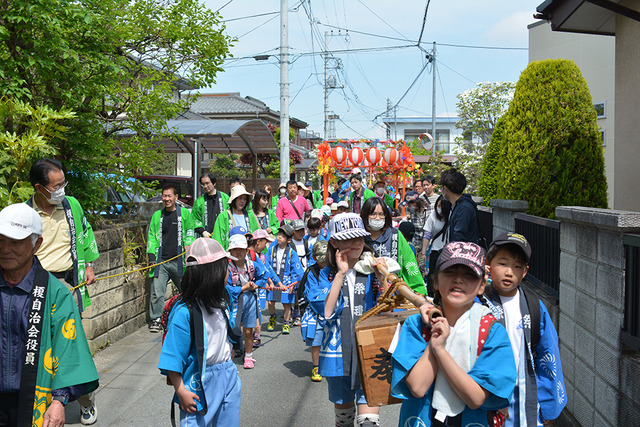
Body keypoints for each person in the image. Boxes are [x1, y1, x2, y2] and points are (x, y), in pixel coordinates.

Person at [390, 241, 517, 427]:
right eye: (450, 272)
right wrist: (434, 339)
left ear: (482, 285)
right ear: (435, 281)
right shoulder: (416, 325)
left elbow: (475, 398)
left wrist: (440, 349)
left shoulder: (492, 332)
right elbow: (418, 387)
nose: (458, 279)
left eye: (469, 275)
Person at [0, 203, 99, 427]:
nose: (6, 249)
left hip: (32, 399)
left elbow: (68, 349)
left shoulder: (55, 293)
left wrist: (58, 402)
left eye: (15, 242)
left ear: (37, 244)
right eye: (0, 240)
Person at [26, 158, 100, 424]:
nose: (62, 190)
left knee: (73, 348)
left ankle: (86, 401)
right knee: (38, 347)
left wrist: (89, 265)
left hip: (67, 286)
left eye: (63, 184)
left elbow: (86, 232)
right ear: (39, 187)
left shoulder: (72, 206)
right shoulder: (25, 214)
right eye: (56, 186)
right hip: (31, 286)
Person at [306, 213, 388, 427]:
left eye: (359, 237)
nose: (356, 243)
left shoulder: (374, 269)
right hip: (337, 353)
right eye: (349, 238)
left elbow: (388, 307)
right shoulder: (325, 275)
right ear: (334, 242)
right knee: (343, 421)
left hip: (369, 351)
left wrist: (383, 279)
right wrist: (342, 273)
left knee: (368, 422)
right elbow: (326, 312)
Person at [483, 233, 566, 426]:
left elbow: (548, 355)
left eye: (517, 266)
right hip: (485, 397)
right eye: (502, 264)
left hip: (525, 399)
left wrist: (549, 407)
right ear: (488, 263)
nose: (509, 272)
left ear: (525, 271)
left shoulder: (534, 307)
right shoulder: (479, 301)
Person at [158, 238, 242, 427]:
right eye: (225, 267)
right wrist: (181, 391)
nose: (228, 272)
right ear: (212, 274)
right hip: (198, 381)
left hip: (228, 374)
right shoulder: (183, 312)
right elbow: (173, 357)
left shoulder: (222, 300)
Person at [147, 184, 195, 333]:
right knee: (157, 291)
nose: (166, 199)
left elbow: (190, 230)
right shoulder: (157, 216)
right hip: (161, 261)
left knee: (186, 289)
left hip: (180, 261)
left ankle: (190, 316)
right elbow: (152, 236)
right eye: (164, 195)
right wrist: (152, 257)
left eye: (169, 196)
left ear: (176, 198)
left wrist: (188, 245)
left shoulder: (185, 214)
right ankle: (156, 319)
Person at [360, 197, 427, 294]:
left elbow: (409, 262)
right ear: (365, 215)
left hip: (392, 292)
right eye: (373, 214)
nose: (377, 218)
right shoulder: (359, 237)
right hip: (364, 293)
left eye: (381, 214)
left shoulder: (395, 235)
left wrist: (418, 290)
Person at [226, 234, 269, 369]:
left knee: (249, 330)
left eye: (241, 249)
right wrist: (243, 287)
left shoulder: (252, 265)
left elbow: (264, 275)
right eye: (235, 249)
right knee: (232, 329)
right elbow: (226, 288)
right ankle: (228, 355)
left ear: (246, 250)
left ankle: (248, 356)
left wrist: (257, 284)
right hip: (234, 301)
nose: (238, 252)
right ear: (230, 251)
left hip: (250, 299)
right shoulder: (227, 268)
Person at [298, 240, 329, 382]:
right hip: (316, 310)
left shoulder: (335, 269)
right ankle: (316, 367)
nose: (324, 262)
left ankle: (330, 364)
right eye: (321, 260)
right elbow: (310, 292)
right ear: (315, 258)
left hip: (334, 309)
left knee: (332, 339)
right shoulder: (311, 271)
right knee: (316, 340)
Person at [265, 224, 304, 334]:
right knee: (271, 302)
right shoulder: (272, 249)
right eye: (279, 234)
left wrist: (293, 285)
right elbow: (266, 264)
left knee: (287, 304)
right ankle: (272, 317)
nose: (279, 237)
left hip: (286, 280)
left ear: (289, 240)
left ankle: (286, 323)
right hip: (273, 280)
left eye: (283, 236)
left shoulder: (292, 253)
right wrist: (269, 280)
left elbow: (297, 272)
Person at [247, 229, 279, 348]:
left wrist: (273, 283)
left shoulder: (260, 256)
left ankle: (256, 337)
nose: (266, 246)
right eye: (265, 243)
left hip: (256, 289)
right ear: (258, 241)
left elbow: (266, 271)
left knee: (257, 313)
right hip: (245, 290)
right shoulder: (248, 254)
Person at [211, 185, 259, 250]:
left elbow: (257, 234)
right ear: (234, 199)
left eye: (245, 199)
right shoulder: (223, 216)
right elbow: (218, 238)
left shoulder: (250, 215)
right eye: (240, 198)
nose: (242, 201)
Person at [421, 195, 452, 295]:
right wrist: (423, 253)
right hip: (435, 250)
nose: (439, 208)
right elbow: (427, 235)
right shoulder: (433, 215)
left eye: (441, 206)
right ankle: (432, 294)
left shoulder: (452, 215)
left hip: (448, 251)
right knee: (433, 274)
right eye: (437, 205)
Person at [440, 168, 479, 244]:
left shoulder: (464, 208)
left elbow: (459, 237)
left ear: (445, 188)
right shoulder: (456, 205)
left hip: (463, 253)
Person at [192, 172, 229, 238]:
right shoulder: (199, 201)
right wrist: (202, 231)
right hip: (206, 238)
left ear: (214, 183)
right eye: (203, 184)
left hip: (223, 237)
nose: (205, 186)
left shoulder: (225, 198)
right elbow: (194, 219)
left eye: (207, 183)